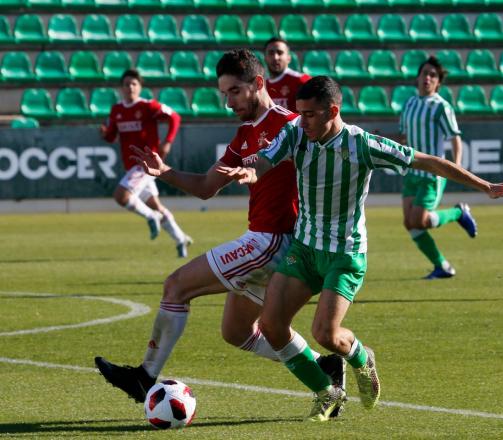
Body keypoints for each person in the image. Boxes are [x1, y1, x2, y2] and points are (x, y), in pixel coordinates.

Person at [218, 76, 503, 422]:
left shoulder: (362, 144)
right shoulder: (295, 134)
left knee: (325, 334)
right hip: (304, 249)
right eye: (299, 113)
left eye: (308, 114)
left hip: (345, 255)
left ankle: (361, 356)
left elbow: (427, 161)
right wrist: (250, 172)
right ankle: (326, 391)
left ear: (332, 111)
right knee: (273, 326)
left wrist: (485, 185)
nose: (300, 121)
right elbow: (264, 160)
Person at [94, 51, 345, 411]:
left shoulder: (291, 125)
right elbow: (205, 186)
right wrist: (163, 172)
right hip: (266, 241)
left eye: (235, 92)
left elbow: (324, 152)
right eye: (224, 94)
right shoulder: (244, 134)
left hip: (272, 240)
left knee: (176, 286)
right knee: (236, 332)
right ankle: (323, 368)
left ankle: (144, 377)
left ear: (258, 84)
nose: (229, 102)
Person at [399, 56, 477, 279]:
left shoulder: (441, 107)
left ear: (438, 83)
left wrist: (457, 165)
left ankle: (458, 212)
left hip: (432, 174)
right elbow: (405, 137)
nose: (428, 77)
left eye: (433, 75)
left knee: (421, 221)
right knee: (410, 223)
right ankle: (442, 266)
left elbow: (455, 137)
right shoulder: (409, 104)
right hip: (411, 171)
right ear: (418, 77)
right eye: (425, 73)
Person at [100, 69, 192, 258]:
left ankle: (152, 217)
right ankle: (180, 239)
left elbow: (174, 117)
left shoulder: (148, 106)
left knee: (121, 196)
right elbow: (111, 136)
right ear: (121, 88)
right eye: (126, 84)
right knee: (156, 205)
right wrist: (104, 134)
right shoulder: (117, 110)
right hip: (131, 164)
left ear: (140, 87)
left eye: (134, 84)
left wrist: (167, 141)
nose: (130, 87)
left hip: (147, 163)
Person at [264, 37, 310, 111]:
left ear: (288, 58)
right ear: (265, 58)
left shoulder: (302, 81)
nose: (275, 57)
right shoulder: (261, 86)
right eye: (271, 53)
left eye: (280, 53)